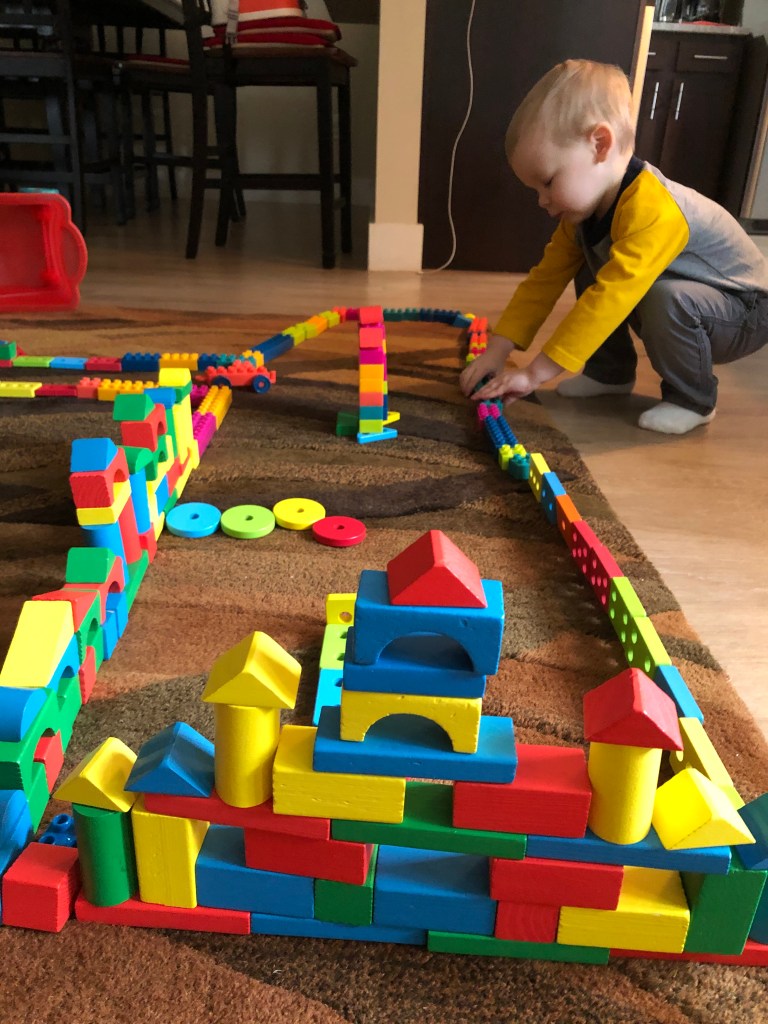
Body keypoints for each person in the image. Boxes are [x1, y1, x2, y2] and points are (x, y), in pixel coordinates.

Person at [459, 59, 768, 434]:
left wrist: (535, 374)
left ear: (600, 145)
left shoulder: (653, 209)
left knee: (663, 297)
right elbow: (543, 282)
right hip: (700, 300)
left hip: (745, 310)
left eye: (548, 181)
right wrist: (498, 350)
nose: (542, 200)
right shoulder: (582, 217)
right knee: (592, 265)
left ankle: (694, 400)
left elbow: (611, 300)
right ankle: (609, 373)